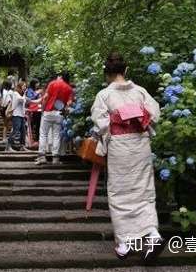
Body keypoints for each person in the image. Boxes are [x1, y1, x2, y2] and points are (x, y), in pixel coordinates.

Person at [90, 52, 163, 260]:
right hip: (140, 144)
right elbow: (155, 114)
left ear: (107, 73)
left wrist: (117, 118)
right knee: (143, 189)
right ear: (126, 70)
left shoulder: (104, 95)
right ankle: (153, 234)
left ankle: (125, 243)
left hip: (120, 147)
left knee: (120, 192)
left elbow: (102, 123)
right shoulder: (140, 92)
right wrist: (136, 115)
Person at [35, 72, 73, 165]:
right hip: (59, 114)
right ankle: (55, 158)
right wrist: (64, 110)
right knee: (56, 135)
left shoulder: (52, 83)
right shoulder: (69, 88)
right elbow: (69, 103)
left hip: (48, 112)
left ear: (60, 76)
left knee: (43, 134)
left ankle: (42, 157)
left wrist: (43, 109)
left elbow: (45, 97)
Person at [6, 81, 28, 152]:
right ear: (20, 87)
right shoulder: (15, 93)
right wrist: (25, 94)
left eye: (25, 86)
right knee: (15, 130)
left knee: (23, 131)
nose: (25, 87)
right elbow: (21, 100)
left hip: (21, 115)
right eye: (24, 86)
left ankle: (22, 146)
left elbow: (24, 102)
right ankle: (8, 147)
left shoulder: (22, 94)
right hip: (16, 115)